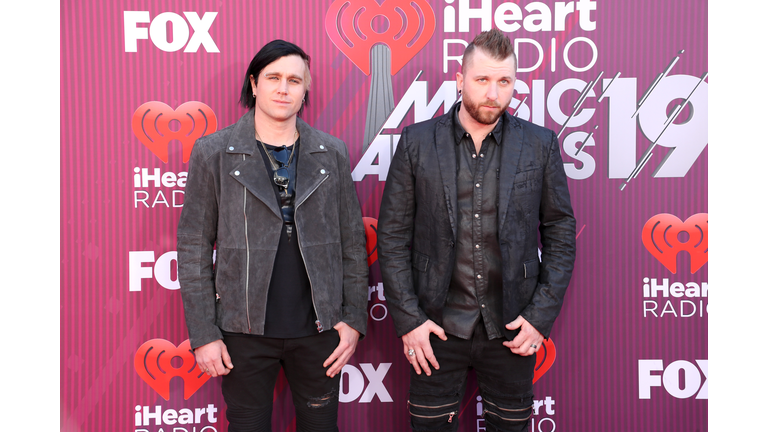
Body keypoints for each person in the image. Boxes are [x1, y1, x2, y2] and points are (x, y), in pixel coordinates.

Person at [377, 29, 576, 432]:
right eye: (482, 80)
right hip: (435, 328)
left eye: (504, 81)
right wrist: (410, 320)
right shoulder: (417, 142)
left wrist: (539, 318)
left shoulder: (540, 145)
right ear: (460, 79)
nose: (493, 92)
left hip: (513, 328)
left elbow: (559, 231)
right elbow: (392, 237)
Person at [177, 39, 369, 432]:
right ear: (254, 83)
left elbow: (352, 242)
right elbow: (193, 247)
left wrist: (352, 320)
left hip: (320, 331)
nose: (284, 88)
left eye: (295, 80)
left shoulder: (330, 152)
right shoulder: (213, 152)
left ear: (305, 90)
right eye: (274, 77)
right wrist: (203, 334)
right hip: (241, 333)